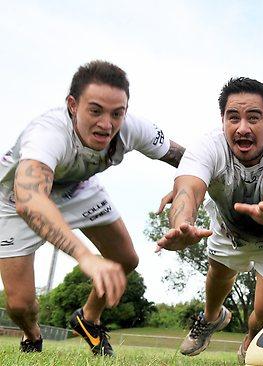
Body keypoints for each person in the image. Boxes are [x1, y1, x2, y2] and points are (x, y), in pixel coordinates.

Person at [0, 60, 185, 356]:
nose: (106, 124)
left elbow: (186, 160)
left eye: (117, 113)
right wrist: (84, 256)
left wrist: (186, 184)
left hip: (77, 188)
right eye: (95, 110)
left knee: (125, 259)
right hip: (15, 200)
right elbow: (29, 199)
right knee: (20, 304)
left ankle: (88, 319)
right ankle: (31, 334)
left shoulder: (133, 128)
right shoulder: (48, 133)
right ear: (73, 105)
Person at [155, 77, 263, 363]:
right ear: (222, 120)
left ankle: (250, 342)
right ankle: (212, 317)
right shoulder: (208, 146)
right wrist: (182, 223)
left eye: (253, 118)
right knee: (219, 275)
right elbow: (187, 189)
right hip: (228, 233)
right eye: (233, 118)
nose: (242, 128)